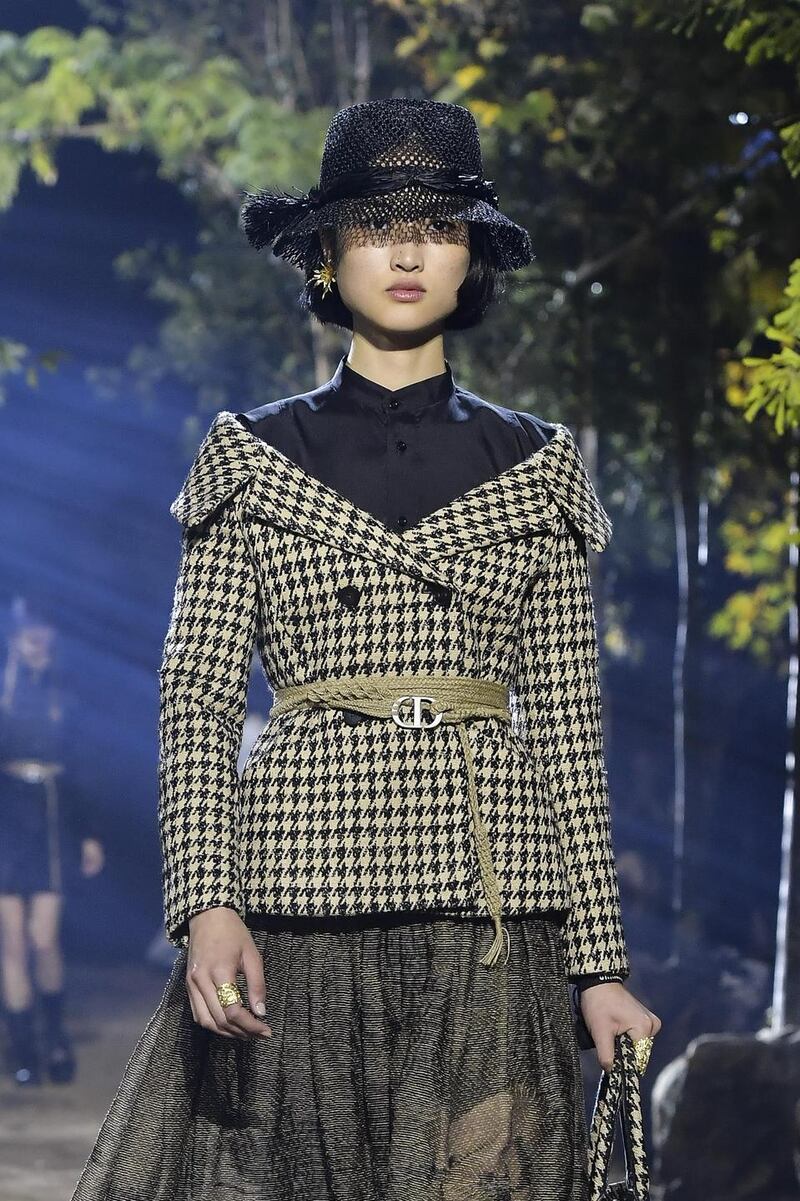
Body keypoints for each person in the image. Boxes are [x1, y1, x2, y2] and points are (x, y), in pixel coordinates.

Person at [71, 97, 660, 1200]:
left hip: (490, 915)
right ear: (327, 254)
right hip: (296, 896)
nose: (405, 249)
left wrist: (600, 968)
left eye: (436, 226)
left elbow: (571, 734)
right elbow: (194, 697)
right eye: (377, 223)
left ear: (468, 257)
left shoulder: (538, 466)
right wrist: (206, 900)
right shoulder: (250, 456)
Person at [0, 595, 105, 1085]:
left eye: (42, 628)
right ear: (15, 636)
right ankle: (22, 1048)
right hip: (7, 816)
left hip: (52, 815)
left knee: (44, 939)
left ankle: (55, 1037)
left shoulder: (68, 691)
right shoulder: (3, 688)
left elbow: (83, 771)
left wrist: (88, 834)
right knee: (14, 943)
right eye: (27, 629)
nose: (35, 637)